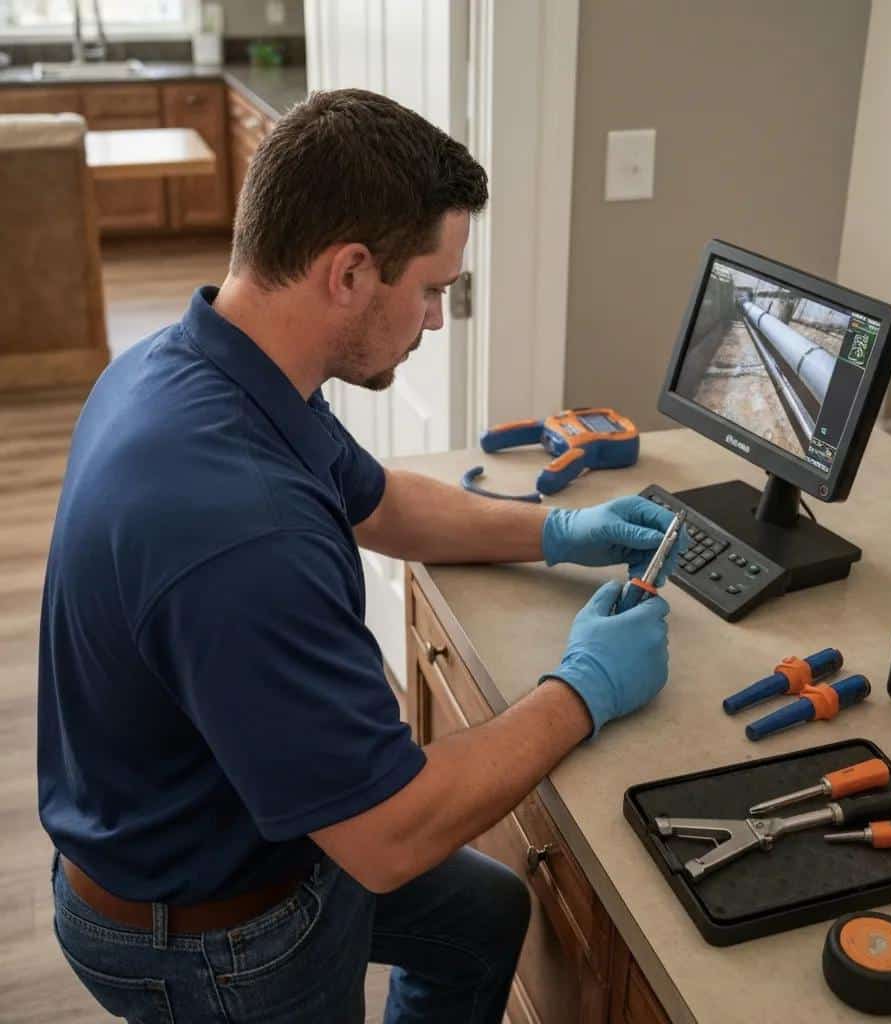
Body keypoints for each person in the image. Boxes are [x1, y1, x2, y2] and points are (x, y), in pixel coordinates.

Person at [38, 88, 684, 1024]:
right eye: (431, 290)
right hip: (216, 938)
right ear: (349, 272)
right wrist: (584, 688)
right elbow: (388, 836)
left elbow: (374, 497)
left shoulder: (208, 364)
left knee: (483, 914)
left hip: (236, 833)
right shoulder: (241, 531)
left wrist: (552, 532)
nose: (433, 320)